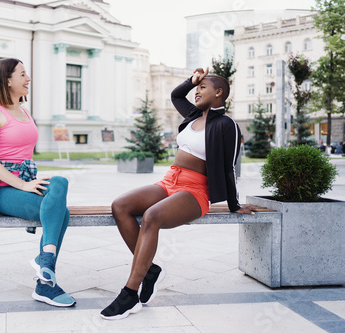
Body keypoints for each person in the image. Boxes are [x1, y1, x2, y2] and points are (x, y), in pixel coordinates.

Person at [100, 67, 255, 320]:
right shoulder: (193, 115)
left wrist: (234, 203)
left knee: (152, 216)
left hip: (196, 189)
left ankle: (130, 293)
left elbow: (230, 165)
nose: (197, 91)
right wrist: (191, 80)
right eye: (197, 87)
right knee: (120, 206)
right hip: (170, 180)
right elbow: (175, 96)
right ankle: (150, 271)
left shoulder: (227, 124)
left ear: (218, 93)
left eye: (203, 87)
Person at [0, 58, 75, 307]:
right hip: (2, 190)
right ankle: (45, 281)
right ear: (7, 80)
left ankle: (44, 266)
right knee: (63, 213)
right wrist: (24, 184)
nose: (28, 79)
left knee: (60, 184)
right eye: (22, 74)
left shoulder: (25, 112)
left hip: (25, 181)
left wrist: (29, 182)